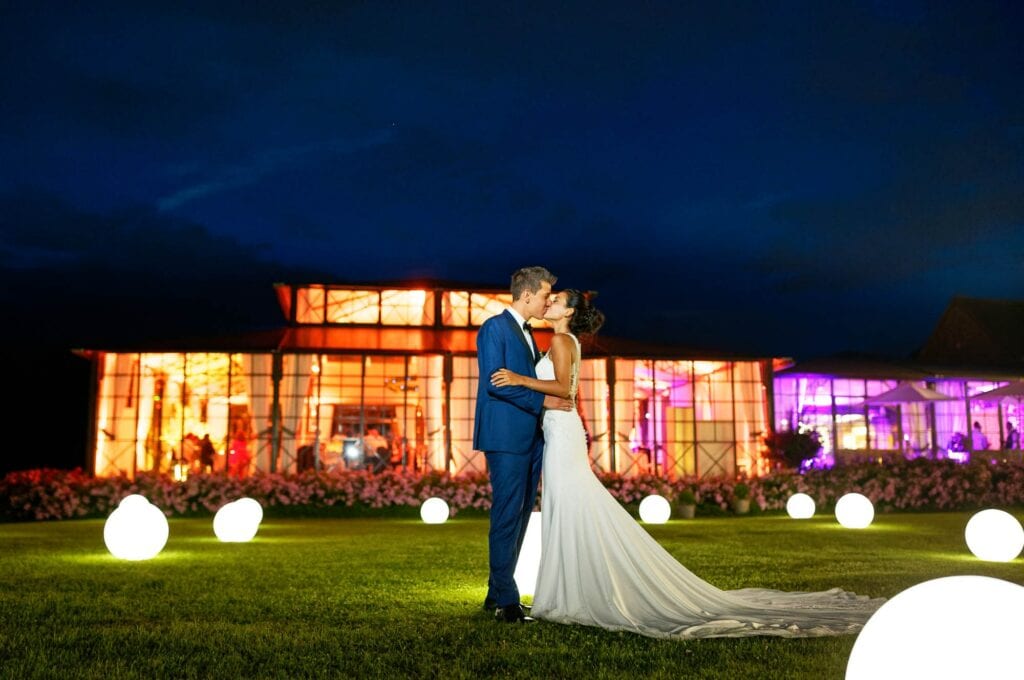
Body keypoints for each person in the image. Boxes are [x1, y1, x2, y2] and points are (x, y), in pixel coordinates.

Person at [491, 289, 885, 639]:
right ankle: (566, 591)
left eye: (557, 300)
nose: (550, 301)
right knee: (568, 509)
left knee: (573, 506)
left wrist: (520, 380)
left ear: (568, 313)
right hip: (560, 433)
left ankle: (571, 595)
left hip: (563, 436)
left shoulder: (562, 341)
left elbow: (565, 389)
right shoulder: (562, 340)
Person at [474, 266, 573, 624]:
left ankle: (496, 593)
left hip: (531, 439)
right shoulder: (494, 328)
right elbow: (494, 383)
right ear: (527, 294)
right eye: (546, 294)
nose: (548, 300)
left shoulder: (529, 334)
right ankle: (508, 602)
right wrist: (544, 403)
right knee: (506, 516)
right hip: (505, 438)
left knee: (519, 517)